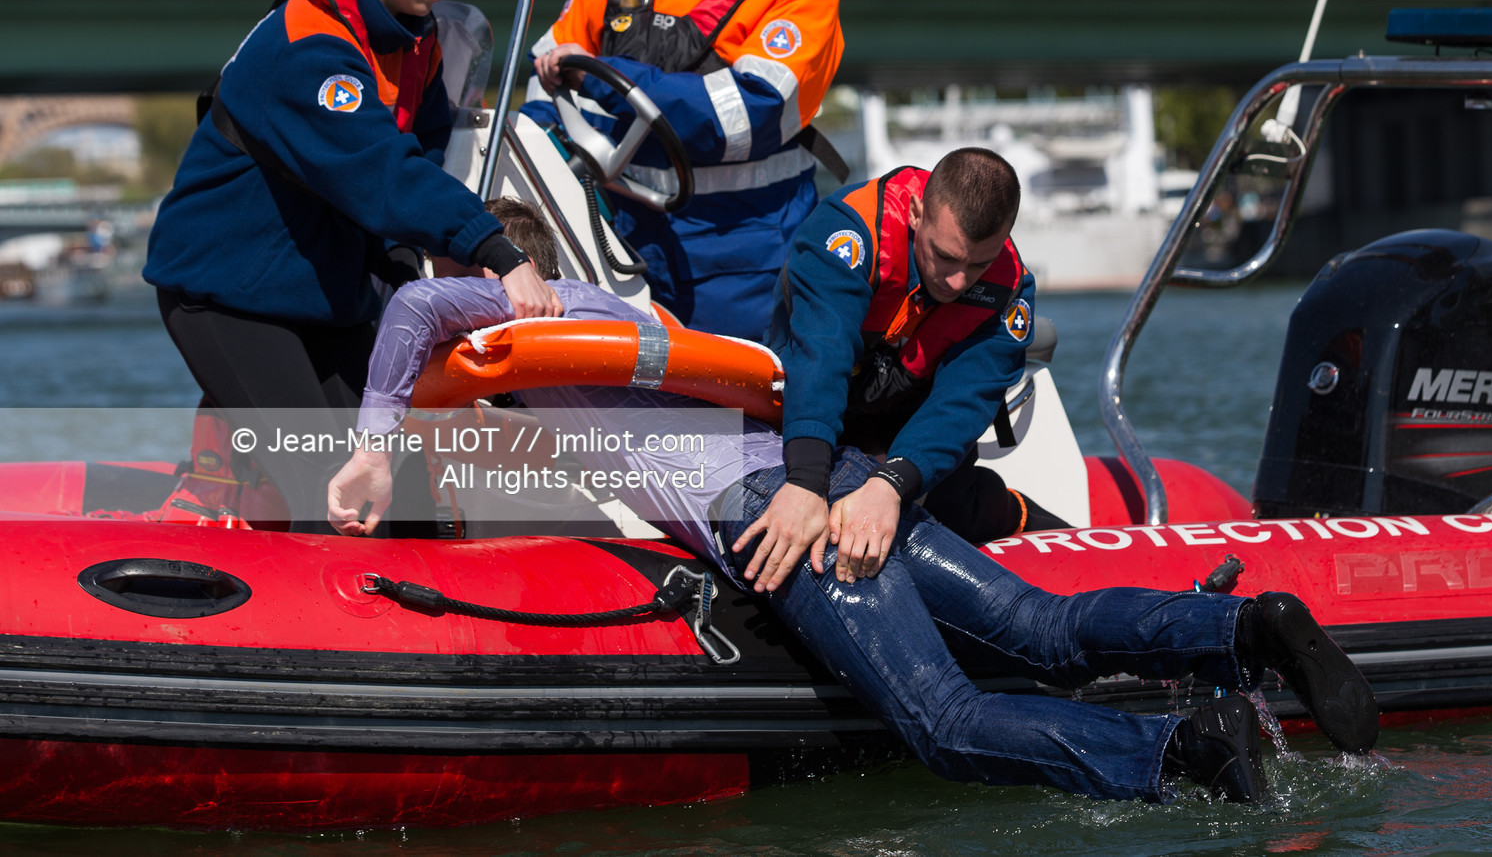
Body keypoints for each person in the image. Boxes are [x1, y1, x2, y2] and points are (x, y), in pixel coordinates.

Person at [326, 198, 1381, 805]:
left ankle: (1180, 752)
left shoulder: (515, 308)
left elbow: (417, 305)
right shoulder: (610, 316)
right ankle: (1245, 627)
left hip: (771, 512)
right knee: (1043, 629)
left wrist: (372, 452)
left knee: (945, 721)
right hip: (837, 475)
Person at [143, 0, 560, 528]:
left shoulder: (416, 39)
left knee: (408, 495)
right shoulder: (308, 47)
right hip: (225, 296)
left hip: (323, 294)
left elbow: (422, 158)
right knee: (330, 494)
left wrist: (424, 269)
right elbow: (381, 173)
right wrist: (499, 251)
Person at [519, 0, 844, 341]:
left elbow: (745, 115)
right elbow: (548, 76)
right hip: (616, 238)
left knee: (745, 394)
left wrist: (601, 76)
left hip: (745, 255)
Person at [767, 147, 1041, 548]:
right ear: (916, 213)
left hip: (909, 405)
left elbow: (966, 399)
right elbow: (820, 352)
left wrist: (891, 483)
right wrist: (805, 481)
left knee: (951, 511)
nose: (957, 281)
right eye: (945, 256)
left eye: (978, 265)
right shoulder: (851, 229)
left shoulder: (1010, 286)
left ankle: (1022, 515)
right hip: (816, 396)